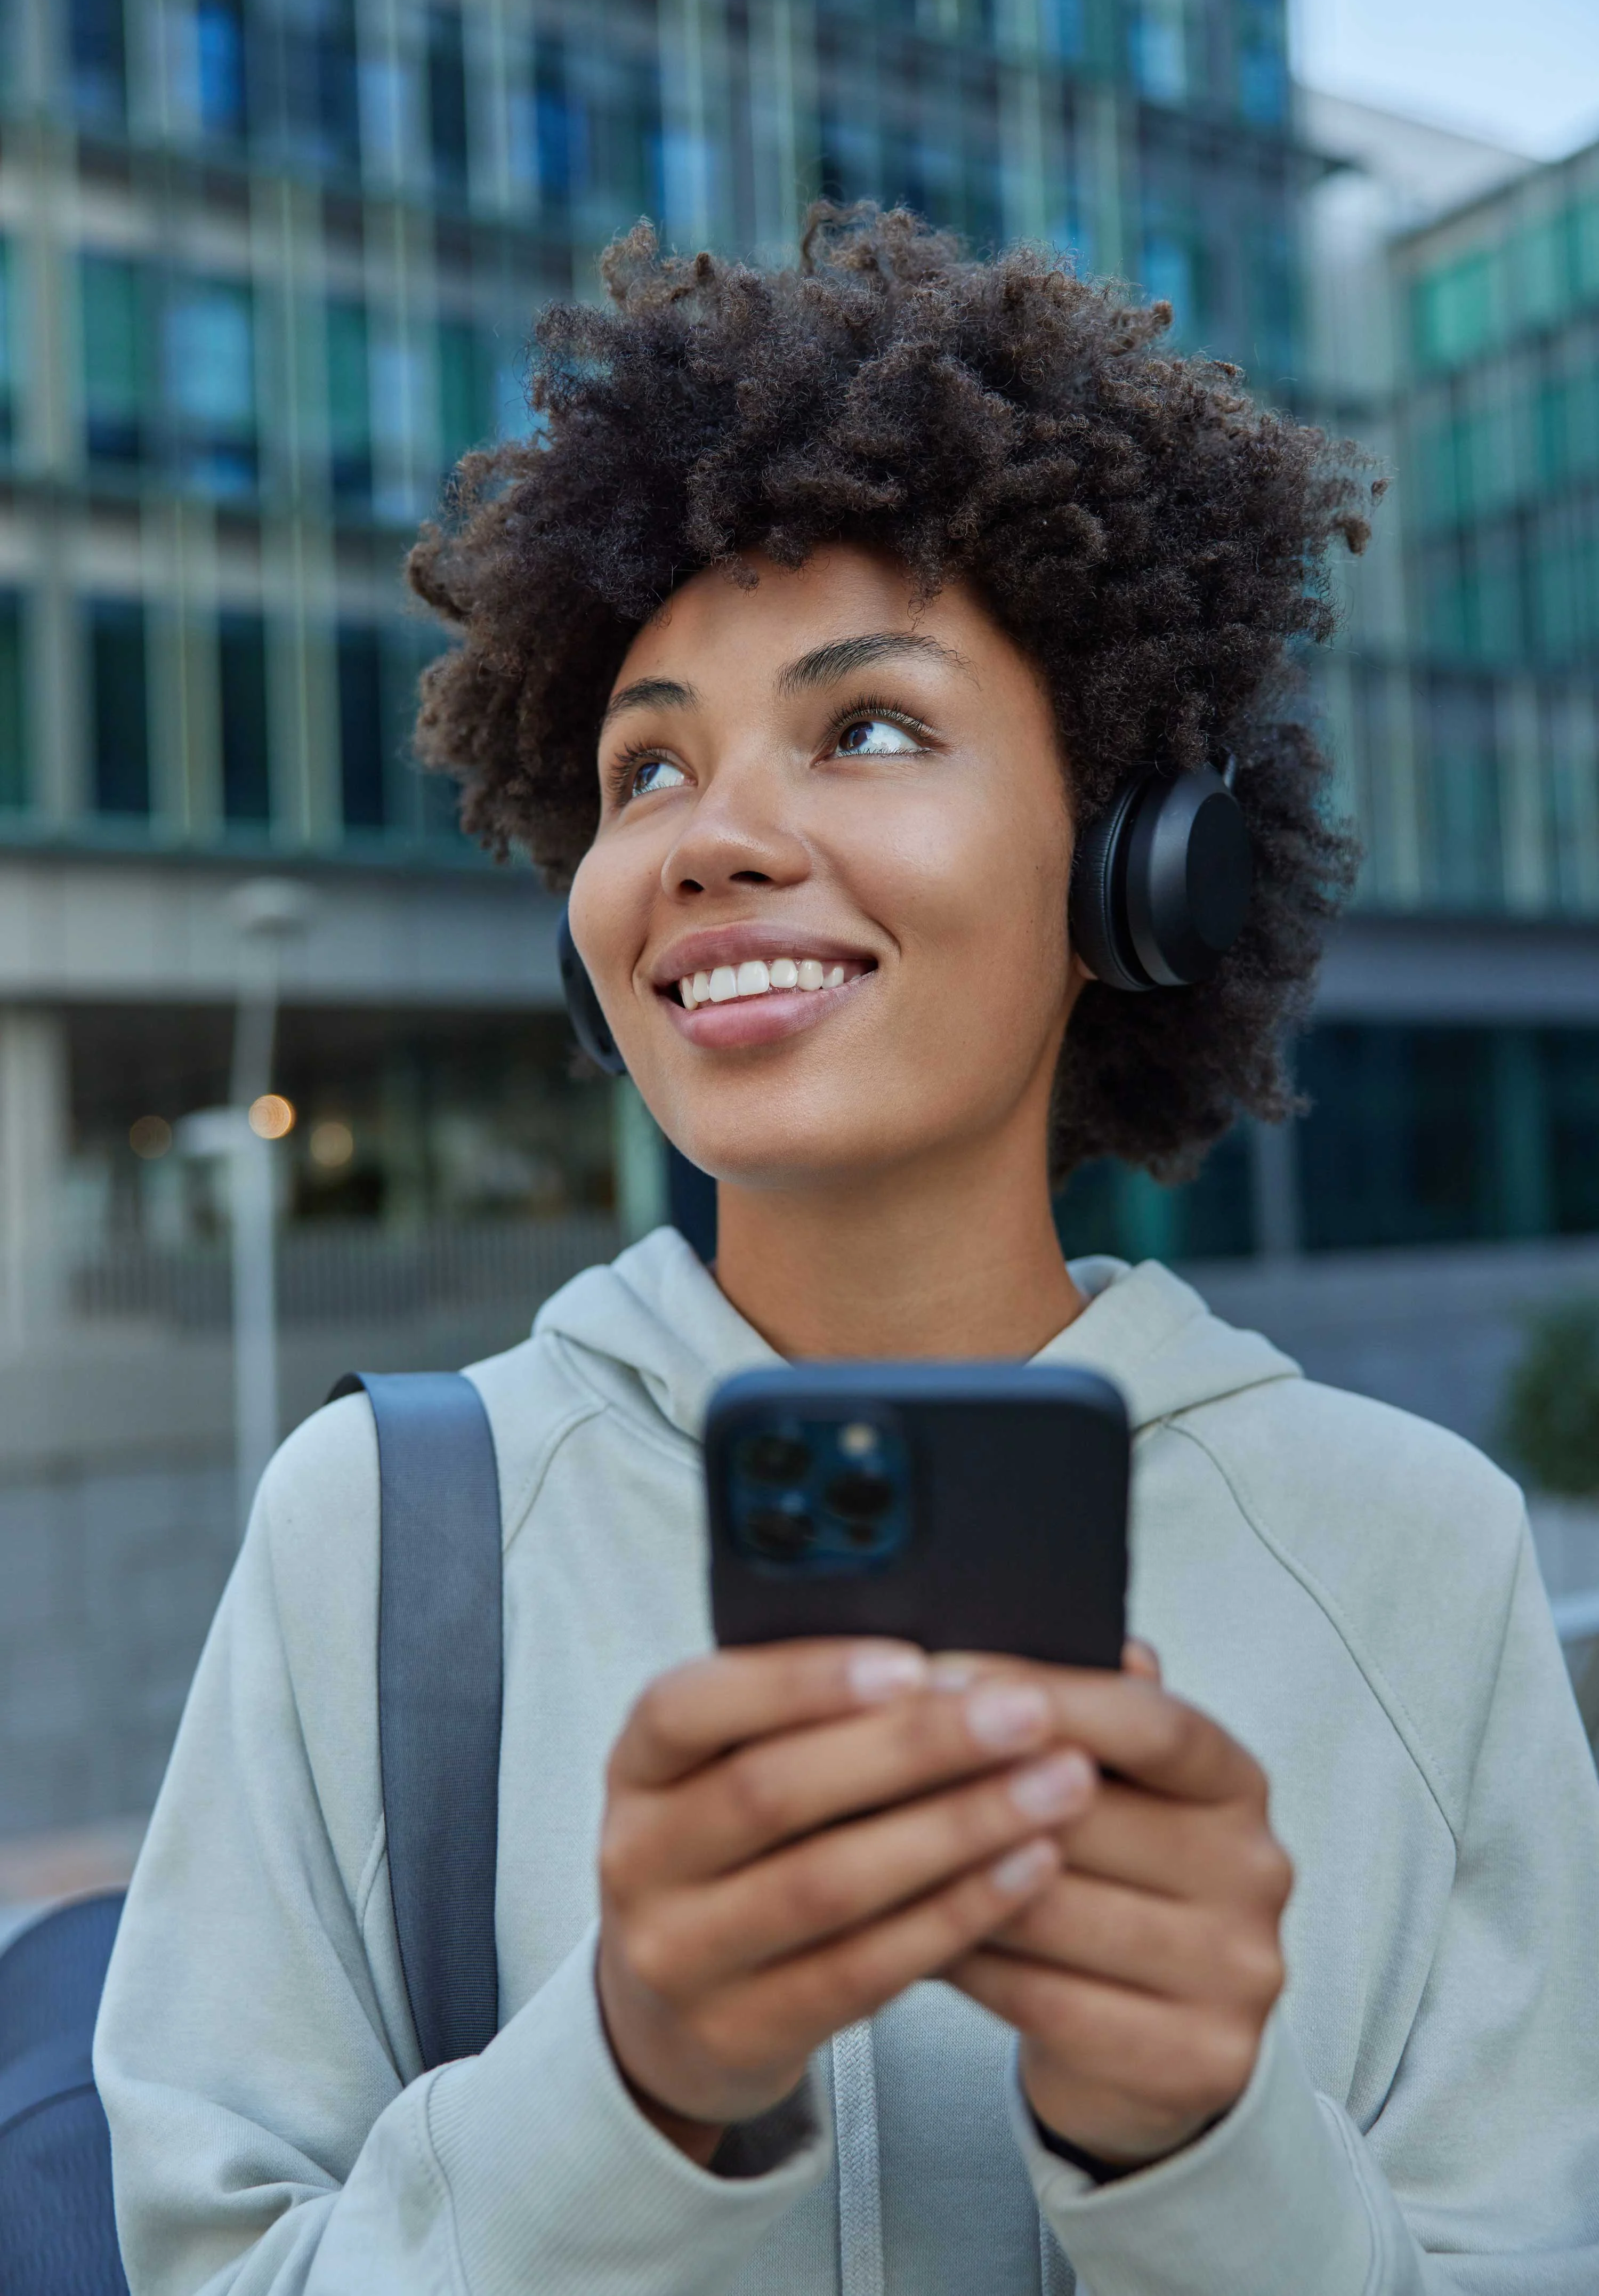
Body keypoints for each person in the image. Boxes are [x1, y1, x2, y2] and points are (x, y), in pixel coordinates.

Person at [96, 208, 1599, 2295]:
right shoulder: (386, 1537)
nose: (707, 834)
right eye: (645, 765)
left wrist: (1199, 2150)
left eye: (869, 723)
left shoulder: (1419, 1554)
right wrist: (630, 2080)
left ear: (1139, 856)